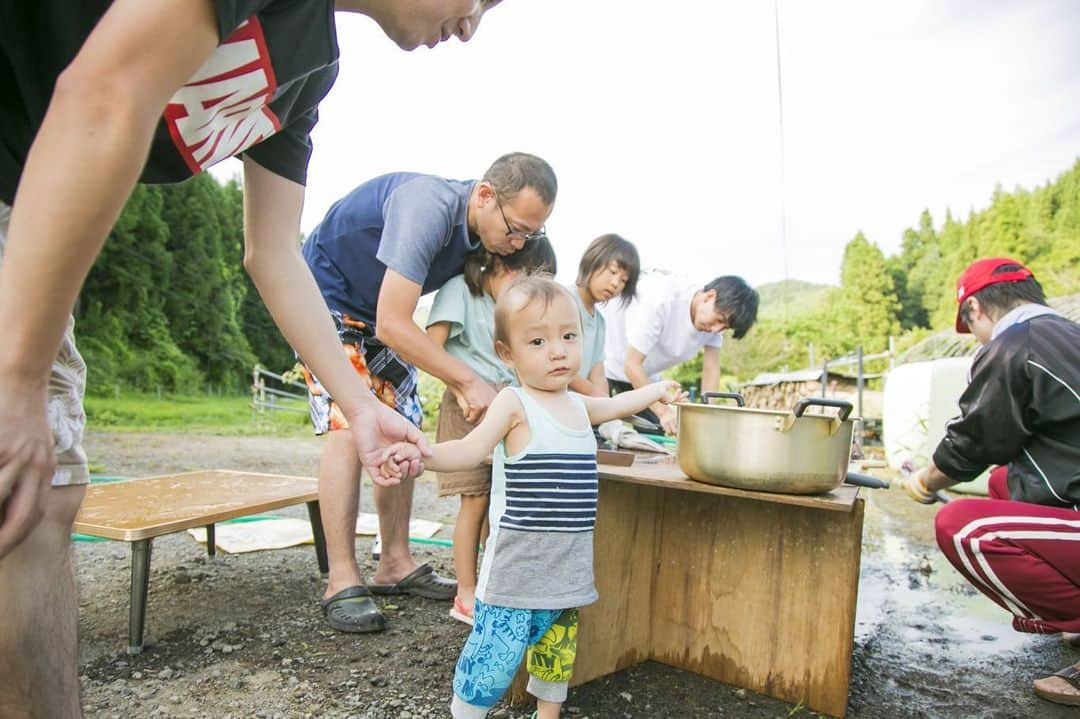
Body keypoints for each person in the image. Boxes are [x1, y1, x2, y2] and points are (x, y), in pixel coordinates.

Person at [0, 2, 502, 716]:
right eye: (479, 0)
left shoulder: (310, 68)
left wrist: (361, 408)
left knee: (40, 493)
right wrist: (17, 375)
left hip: (20, 202)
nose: (471, 23)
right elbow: (106, 94)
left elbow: (272, 252)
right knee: (29, 476)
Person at [385, 276, 684, 719]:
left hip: (566, 569)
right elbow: (471, 449)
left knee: (555, 655)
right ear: (507, 353)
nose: (558, 351)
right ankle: (465, 714)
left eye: (568, 337)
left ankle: (548, 714)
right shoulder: (514, 403)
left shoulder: (581, 407)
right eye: (539, 341)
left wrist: (657, 391)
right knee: (493, 658)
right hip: (515, 570)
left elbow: (617, 405)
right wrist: (423, 454)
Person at [299, 153, 557, 634]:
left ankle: (394, 562)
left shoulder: (481, 236)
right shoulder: (428, 206)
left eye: (531, 236)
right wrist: (465, 380)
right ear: (484, 195)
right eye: (517, 229)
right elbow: (395, 322)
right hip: (324, 300)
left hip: (376, 316)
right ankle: (340, 577)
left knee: (400, 426)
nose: (518, 244)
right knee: (350, 425)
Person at [899, 258, 1080, 707]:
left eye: (971, 326)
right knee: (1004, 482)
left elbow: (974, 441)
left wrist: (926, 479)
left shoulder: (1017, 344)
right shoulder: (1066, 335)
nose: (978, 339)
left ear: (976, 307)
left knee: (962, 526)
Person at [425, 240, 557, 625]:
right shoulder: (459, 292)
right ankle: (465, 594)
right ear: (504, 264)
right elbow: (431, 348)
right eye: (529, 277)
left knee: (499, 499)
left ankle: (489, 586)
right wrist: (460, 388)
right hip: (466, 407)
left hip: (502, 409)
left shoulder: (508, 310)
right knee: (475, 501)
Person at [601, 271, 759, 435]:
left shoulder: (714, 323)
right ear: (709, 296)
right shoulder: (661, 299)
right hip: (606, 363)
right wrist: (663, 411)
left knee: (656, 434)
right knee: (594, 431)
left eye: (725, 327)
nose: (716, 330)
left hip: (646, 376)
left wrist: (707, 415)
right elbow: (631, 365)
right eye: (719, 320)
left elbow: (711, 369)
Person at [567, 234, 640, 398]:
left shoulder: (599, 321)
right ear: (593, 260)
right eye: (612, 271)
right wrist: (598, 397)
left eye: (623, 281)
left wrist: (607, 407)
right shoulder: (562, 300)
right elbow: (556, 365)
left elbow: (597, 374)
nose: (615, 284)